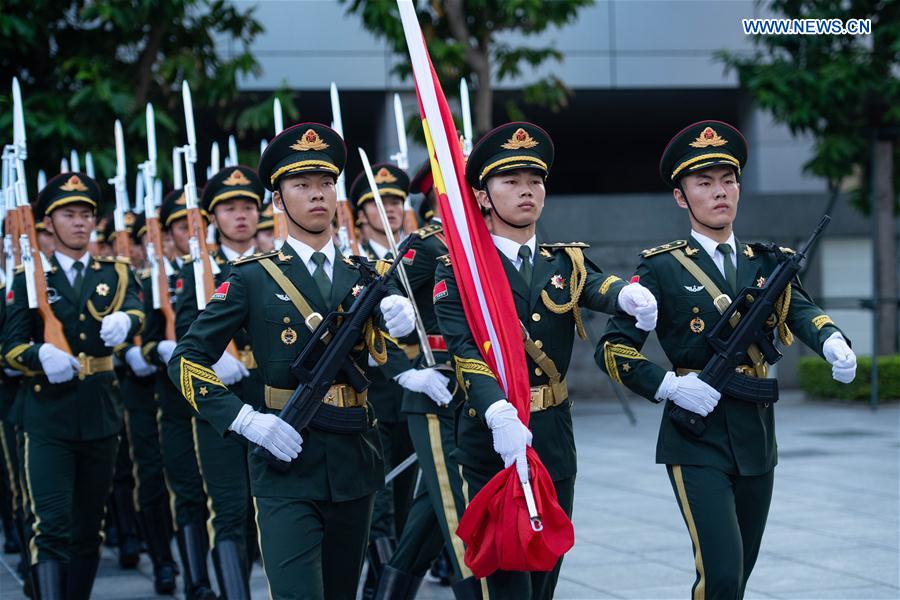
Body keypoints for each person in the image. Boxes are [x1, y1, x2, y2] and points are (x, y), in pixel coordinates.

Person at [596, 120, 858, 599]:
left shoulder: (766, 261)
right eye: (704, 183)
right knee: (718, 574)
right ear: (681, 197)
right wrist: (669, 386)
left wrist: (833, 341)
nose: (720, 192)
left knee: (739, 575)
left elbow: (802, 310)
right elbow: (612, 349)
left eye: (728, 180)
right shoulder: (661, 267)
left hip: (755, 433)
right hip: (695, 436)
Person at [167, 122, 418, 600]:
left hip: (354, 457)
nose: (317, 195)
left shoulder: (365, 275)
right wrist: (244, 420)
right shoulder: (251, 279)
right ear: (278, 202)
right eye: (302, 185)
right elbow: (186, 361)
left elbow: (381, 356)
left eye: (325, 183)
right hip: (286, 460)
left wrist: (401, 322)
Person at [433, 122, 658, 599]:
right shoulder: (461, 269)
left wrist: (628, 296)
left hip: (552, 436)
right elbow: (464, 351)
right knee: (508, 579)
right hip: (491, 437)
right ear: (483, 196)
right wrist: (498, 413)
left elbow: (596, 286)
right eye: (510, 182)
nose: (526, 191)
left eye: (534, 181)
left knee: (544, 575)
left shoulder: (564, 262)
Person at [4, 172, 144, 598]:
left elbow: (138, 312)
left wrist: (128, 321)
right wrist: (38, 357)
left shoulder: (116, 274)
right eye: (70, 215)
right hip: (47, 416)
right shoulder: (29, 276)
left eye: (86, 214)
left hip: (100, 412)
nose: (81, 223)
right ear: (49, 222)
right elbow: (9, 347)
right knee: (50, 526)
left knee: (88, 528)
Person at [376, 161, 469, 599]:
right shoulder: (427, 245)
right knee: (458, 507)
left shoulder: (485, 242)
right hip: (438, 391)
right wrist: (405, 369)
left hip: (481, 390)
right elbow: (377, 303)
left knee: (430, 515)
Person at [174, 165, 266, 599]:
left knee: (265, 508)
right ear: (213, 217)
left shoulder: (276, 263)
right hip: (220, 400)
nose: (241, 216)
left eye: (248, 206)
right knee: (229, 508)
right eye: (230, 208)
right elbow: (186, 334)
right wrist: (217, 362)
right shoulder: (198, 271)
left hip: (273, 396)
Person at [141, 188, 216, 599]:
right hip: (176, 405)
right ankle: (196, 579)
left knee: (225, 496)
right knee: (186, 489)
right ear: (169, 235)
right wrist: (160, 349)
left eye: (198, 225)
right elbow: (144, 342)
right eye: (183, 227)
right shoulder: (159, 281)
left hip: (220, 401)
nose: (192, 233)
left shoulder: (222, 271)